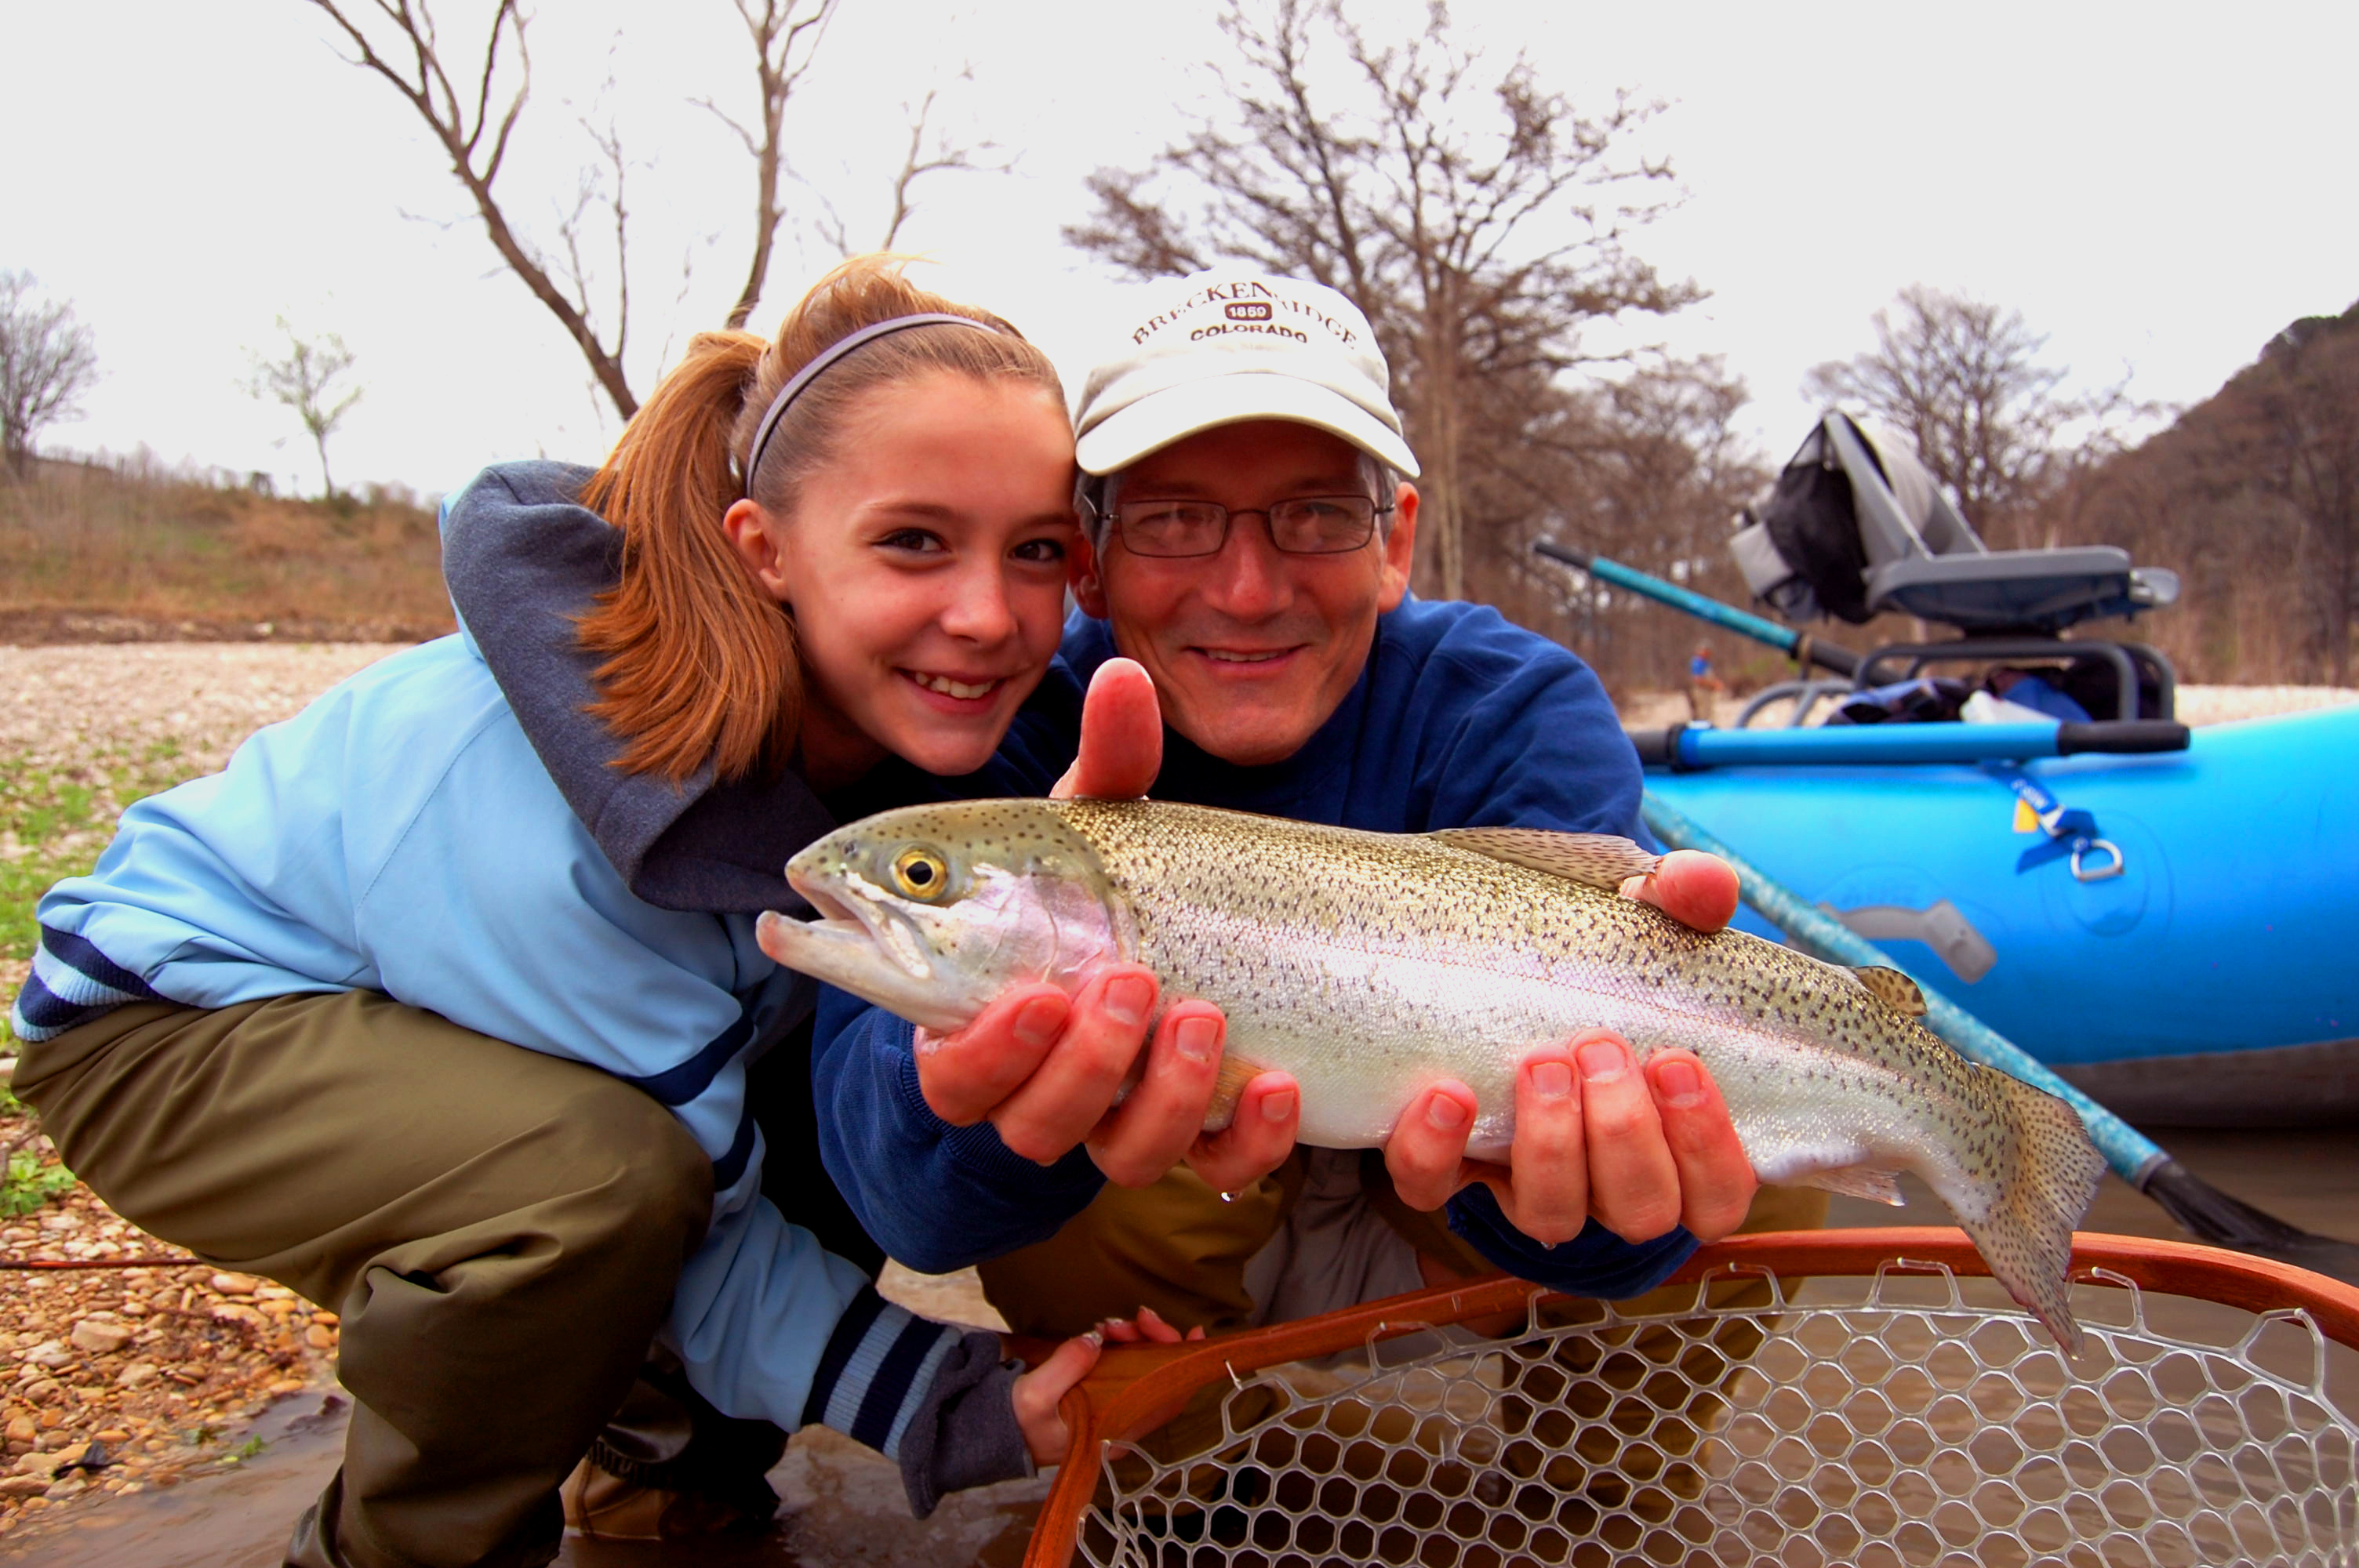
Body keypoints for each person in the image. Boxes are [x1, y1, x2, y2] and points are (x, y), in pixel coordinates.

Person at [5, 257, 1135, 1568]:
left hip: (476, 1017)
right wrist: (957, 1403)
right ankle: (406, 1550)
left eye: (1038, 552)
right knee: (602, 1186)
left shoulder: (880, 709)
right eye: (913, 542)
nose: (988, 616)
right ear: (763, 551)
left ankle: (667, 1491)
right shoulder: (591, 822)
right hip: (164, 1017)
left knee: (812, 1079)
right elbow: (698, 1238)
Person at [812, 272, 1818, 1367]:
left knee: (1751, 1119)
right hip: (1180, 1247)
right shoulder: (1013, 722)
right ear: (1092, 558)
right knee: (1051, 1113)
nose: (1248, 590)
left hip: (1448, 1241)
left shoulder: (1515, 707)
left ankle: (1588, 1509)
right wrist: (947, 1075)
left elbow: (1613, 1227)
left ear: (1395, 543)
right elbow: (900, 1204)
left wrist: (1603, 1210)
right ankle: (1188, 1497)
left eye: (1318, 515)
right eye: (1176, 519)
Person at [1687, 641, 1725, 722]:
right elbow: (1698, 680)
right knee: (1703, 714)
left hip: (1708, 692)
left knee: (1709, 713)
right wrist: (1714, 684)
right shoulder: (1698, 663)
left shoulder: (1706, 663)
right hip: (1701, 691)